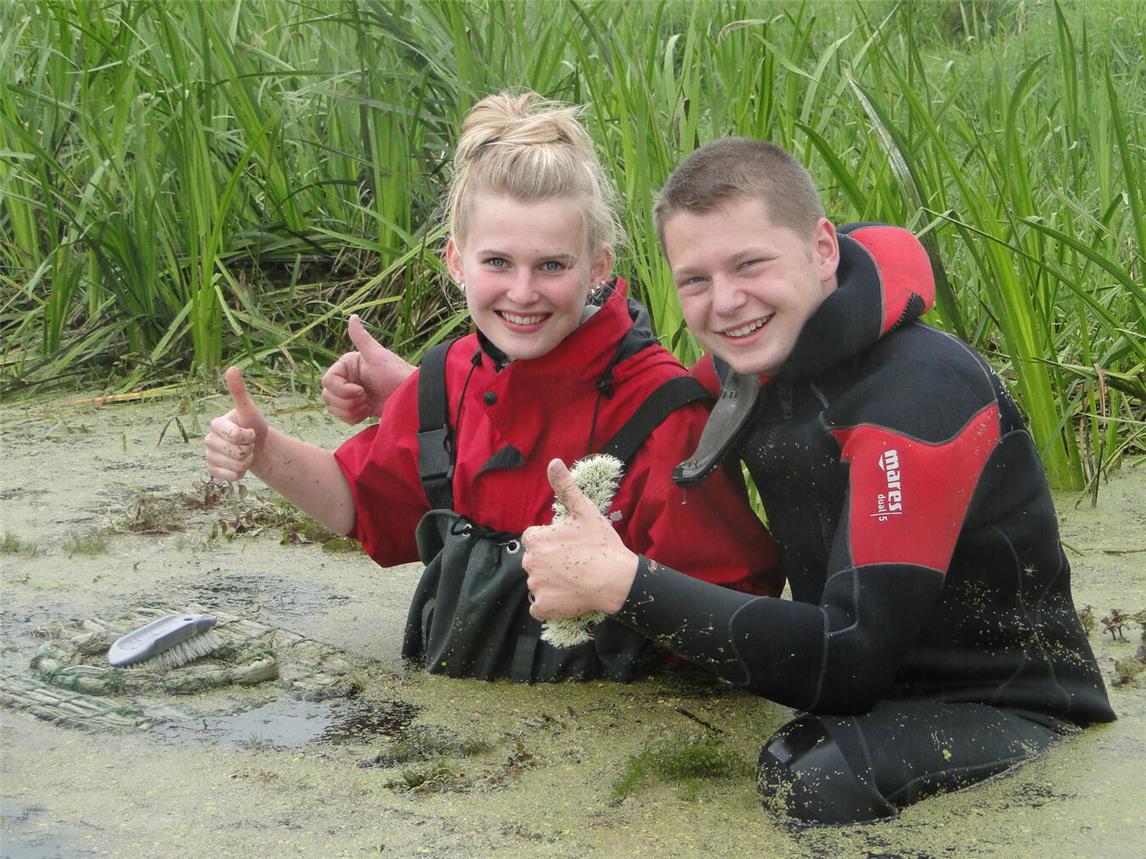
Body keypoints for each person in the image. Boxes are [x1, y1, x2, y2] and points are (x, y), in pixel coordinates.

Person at [514, 138, 1116, 823]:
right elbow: (620, 394)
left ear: (822, 249)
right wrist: (422, 394)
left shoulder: (919, 397)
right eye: (696, 281)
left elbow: (851, 656)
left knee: (810, 780)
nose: (727, 302)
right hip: (867, 700)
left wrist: (623, 582)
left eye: (750, 264)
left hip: (1016, 708)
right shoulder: (747, 370)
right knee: (794, 758)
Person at [205, 94, 778, 684]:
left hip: (622, 736)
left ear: (598, 267)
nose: (523, 292)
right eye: (498, 262)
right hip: (450, 746)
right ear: (456, 261)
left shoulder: (663, 416)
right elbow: (363, 502)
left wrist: (621, 584)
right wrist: (265, 451)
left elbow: (737, 615)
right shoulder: (443, 382)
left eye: (552, 266)